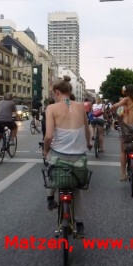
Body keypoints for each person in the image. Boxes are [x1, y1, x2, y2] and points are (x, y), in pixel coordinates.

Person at [43, 75, 92, 237]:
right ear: (69, 91)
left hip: (59, 155)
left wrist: (45, 150)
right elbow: (87, 129)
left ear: (57, 92)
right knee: (76, 188)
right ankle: (79, 222)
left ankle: (50, 198)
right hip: (79, 157)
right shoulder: (80, 107)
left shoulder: (51, 109)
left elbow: (49, 136)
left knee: (52, 167)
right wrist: (88, 143)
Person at [110, 84, 133, 180]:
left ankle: (123, 174)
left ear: (126, 92)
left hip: (126, 128)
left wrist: (113, 111)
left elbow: (115, 106)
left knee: (123, 151)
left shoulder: (126, 99)